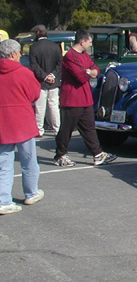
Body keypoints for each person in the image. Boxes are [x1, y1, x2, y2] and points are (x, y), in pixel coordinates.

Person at [55, 29, 116, 167]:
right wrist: (89, 72)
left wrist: (91, 71)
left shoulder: (84, 55)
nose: (90, 45)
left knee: (89, 128)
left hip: (85, 98)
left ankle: (98, 154)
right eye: (89, 42)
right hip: (72, 99)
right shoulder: (70, 56)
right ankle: (61, 155)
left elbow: (96, 69)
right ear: (82, 42)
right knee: (67, 129)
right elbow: (80, 76)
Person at [0, 39, 44, 215]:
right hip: (22, 121)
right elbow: (34, 94)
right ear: (13, 54)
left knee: (4, 164)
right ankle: (31, 192)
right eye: (19, 53)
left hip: (2, 122)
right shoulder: (23, 73)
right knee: (29, 160)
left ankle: (3, 200)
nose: (20, 55)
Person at [29, 25, 62, 136]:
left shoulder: (34, 47)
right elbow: (59, 63)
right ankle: (57, 128)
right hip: (54, 81)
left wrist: (44, 76)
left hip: (40, 82)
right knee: (54, 106)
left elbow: (34, 66)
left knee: (40, 107)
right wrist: (53, 75)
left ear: (38, 33)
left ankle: (39, 129)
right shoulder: (55, 46)